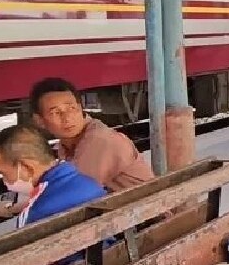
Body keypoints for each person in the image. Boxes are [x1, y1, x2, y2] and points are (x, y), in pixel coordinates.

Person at [0, 125, 107, 265]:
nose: (4, 182)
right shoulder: (87, 184)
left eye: (3, 174)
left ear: (26, 167)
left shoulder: (36, 213)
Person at [25, 77, 155, 197]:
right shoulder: (66, 143)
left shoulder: (100, 140)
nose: (67, 118)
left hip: (147, 217)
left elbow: (72, 194)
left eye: (71, 108)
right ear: (39, 120)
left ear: (81, 108)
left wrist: (14, 209)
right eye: (56, 113)